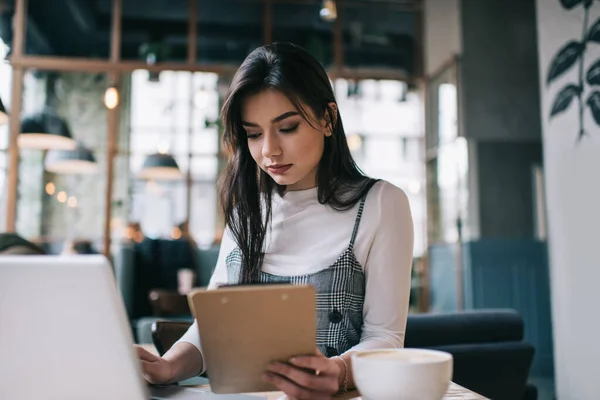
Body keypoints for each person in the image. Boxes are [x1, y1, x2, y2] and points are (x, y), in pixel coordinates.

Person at [136, 42, 414, 399]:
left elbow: (386, 338)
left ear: (328, 120)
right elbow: (213, 329)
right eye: (253, 134)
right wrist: (169, 365)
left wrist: (339, 372)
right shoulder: (246, 210)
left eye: (287, 128)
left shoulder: (380, 204)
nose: (268, 150)